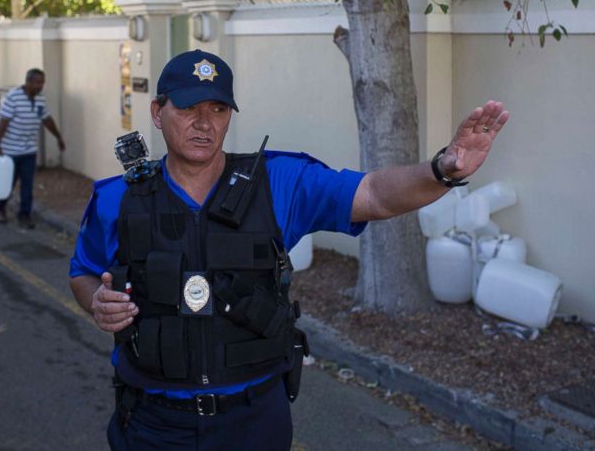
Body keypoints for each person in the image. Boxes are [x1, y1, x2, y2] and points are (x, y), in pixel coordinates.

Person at [69, 49, 509, 451]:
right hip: (154, 424)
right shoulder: (117, 199)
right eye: (187, 107)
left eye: (218, 109)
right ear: (157, 111)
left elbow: (373, 194)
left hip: (253, 423)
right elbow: (82, 272)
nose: (204, 123)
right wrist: (98, 303)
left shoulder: (279, 182)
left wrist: (441, 170)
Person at [0, 68, 66, 229]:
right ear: (28, 82)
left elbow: (46, 119)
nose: (40, 86)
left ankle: (24, 215)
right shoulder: (13, 97)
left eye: (42, 83)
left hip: (29, 151)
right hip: (10, 151)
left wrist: (58, 137)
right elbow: (3, 123)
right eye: (37, 82)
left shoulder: (39, 100)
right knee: (7, 184)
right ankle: (0, 208)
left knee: (27, 185)